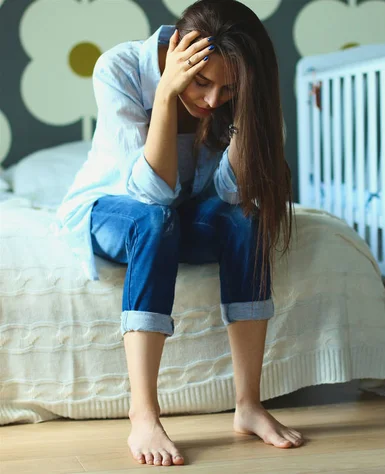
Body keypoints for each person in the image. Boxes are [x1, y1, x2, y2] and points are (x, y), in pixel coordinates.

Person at [56, 0, 302, 467]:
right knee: (154, 221)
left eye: (227, 89)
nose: (211, 101)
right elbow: (151, 195)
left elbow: (231, 193)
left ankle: (249, 404)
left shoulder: (230, 96)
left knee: (249, 217)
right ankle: (143, 413)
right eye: (202, 82)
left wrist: (246, 105)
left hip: (179, 212)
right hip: (109, 209)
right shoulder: (120, 69)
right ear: (174, 53)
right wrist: (167, 95)